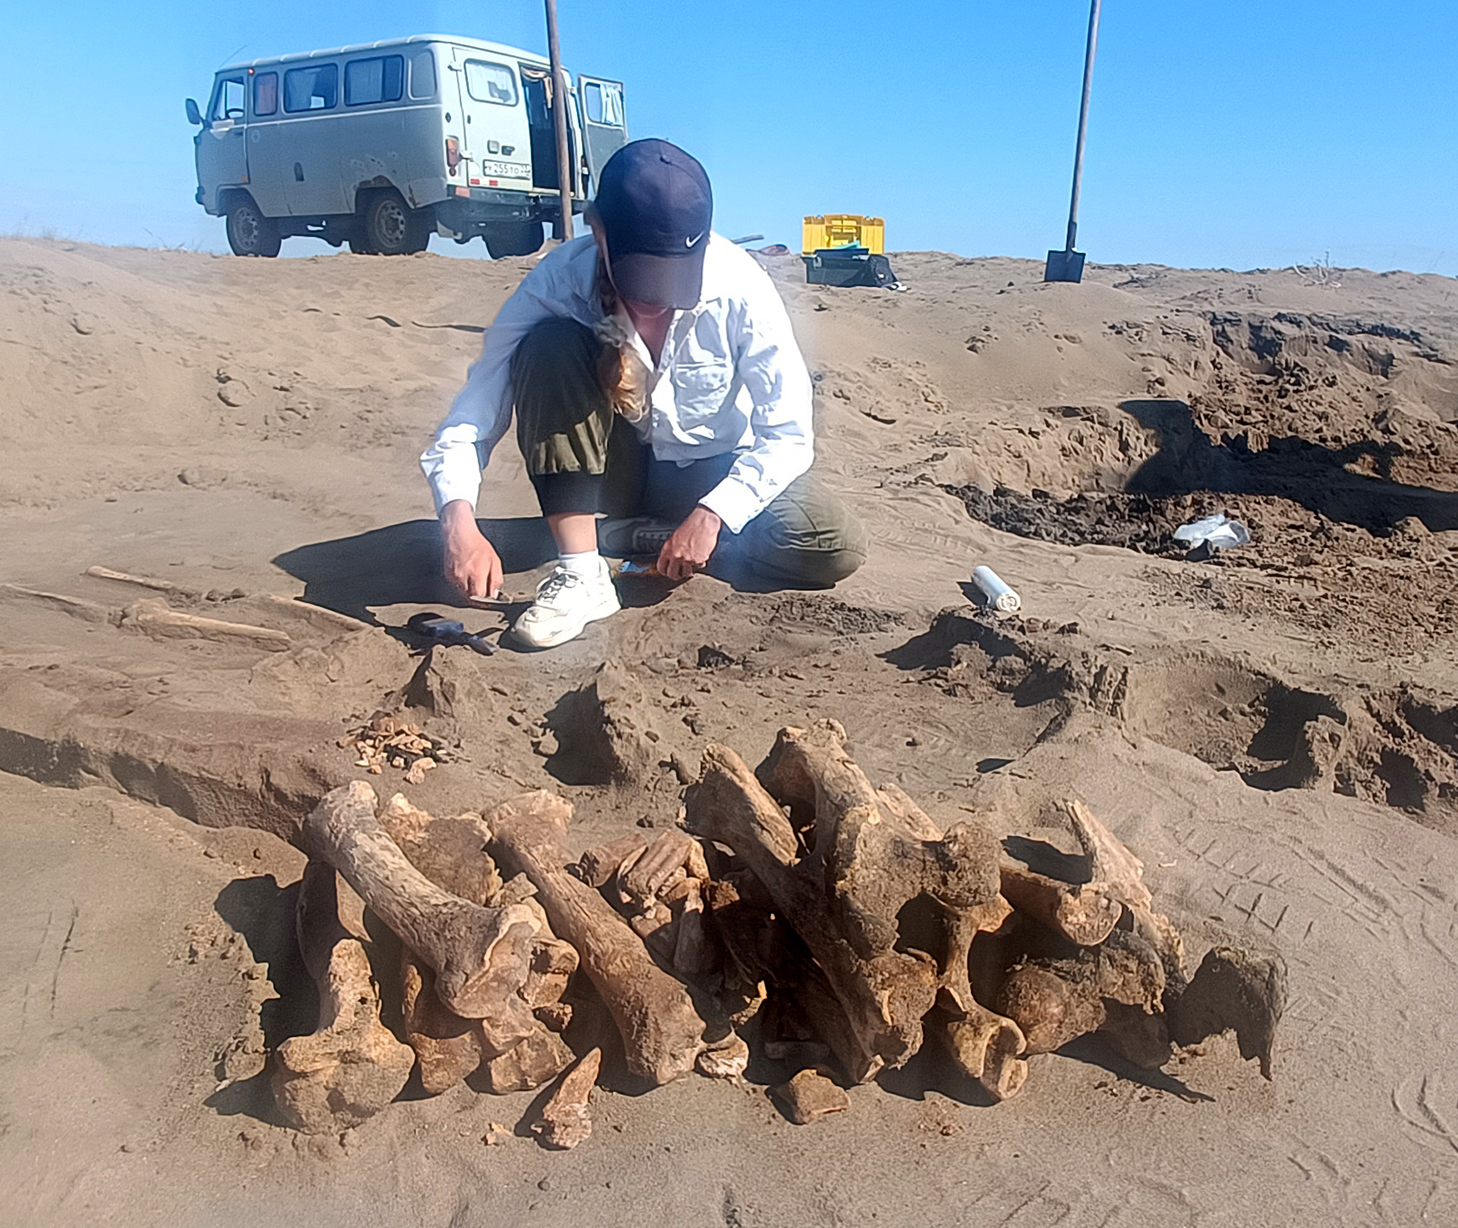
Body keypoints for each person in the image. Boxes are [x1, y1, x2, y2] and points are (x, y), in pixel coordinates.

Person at [420, 138, 866, 649]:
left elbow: (788, 435)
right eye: (640, 279)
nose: (655, 302)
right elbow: (476, 409)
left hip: (713, 469)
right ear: (599, 233)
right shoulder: (556, 283)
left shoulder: (741, 287)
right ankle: (582, 571)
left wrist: (714, 515)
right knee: (548, 346)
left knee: (832, 542)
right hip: (613, 472)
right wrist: (456, 519)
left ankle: (640, 536)